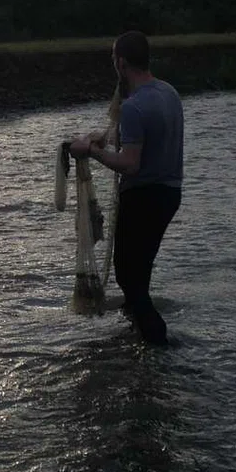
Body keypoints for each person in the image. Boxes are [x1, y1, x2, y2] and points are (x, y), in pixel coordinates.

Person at [69, 31, 184, 345]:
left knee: (127, 276)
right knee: (141, 269)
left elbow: (130, 164)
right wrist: (101, 141)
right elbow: (140, 137)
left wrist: (89, 152)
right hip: (170, 195)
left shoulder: (134, 107)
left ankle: (157, 342)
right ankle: (138, 338)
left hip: (143, 197)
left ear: (121, 62)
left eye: (113, 59)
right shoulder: (168, 93)